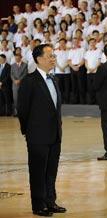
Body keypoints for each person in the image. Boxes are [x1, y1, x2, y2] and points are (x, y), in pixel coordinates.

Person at [17, 44, 66, 216]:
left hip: (55, 135)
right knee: (38, 172)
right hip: (37, 136)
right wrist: (28, 132)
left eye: (54, 56)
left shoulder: (54, 79)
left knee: (51, 171)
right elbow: (22, 110)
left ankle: (50, 201)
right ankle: (38, 205)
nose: (53, 59)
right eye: (50, 56)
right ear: (39, 59)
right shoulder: (29, 81)